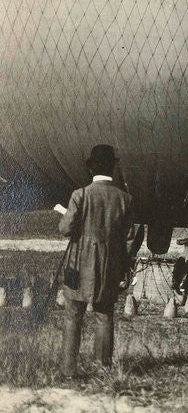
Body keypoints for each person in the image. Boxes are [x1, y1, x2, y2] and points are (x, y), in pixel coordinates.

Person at [57, 145, 132, 378]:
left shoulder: (80, 195)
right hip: (109, 265)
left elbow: (65, 229)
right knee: (104, 315)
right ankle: (103, 370)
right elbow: (129, 239)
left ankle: (69, 371)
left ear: (91, 168)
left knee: (73, 315)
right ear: (113, 167)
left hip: (77, 263)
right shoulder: (124, 199)